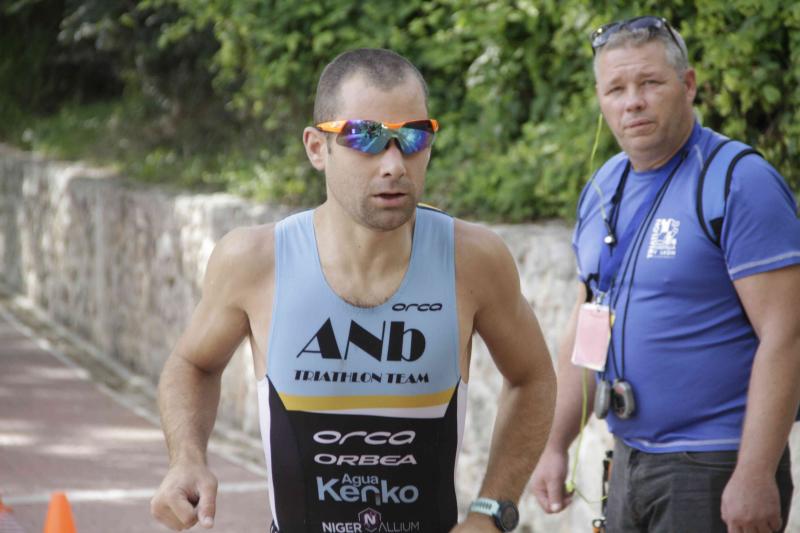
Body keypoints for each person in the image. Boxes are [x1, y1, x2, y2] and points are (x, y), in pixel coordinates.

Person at [150, 47, 556, 532]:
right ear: (316, 148)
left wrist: (492, 511)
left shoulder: (473, 260)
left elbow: (533, 377)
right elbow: (193, 364)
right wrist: (187, 458)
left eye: (413, 137)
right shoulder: (255, 261)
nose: (394, 163)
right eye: (365, 137)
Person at [530, 15, 800, 533]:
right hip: (629, 459)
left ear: (688, 84)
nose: (632, 101)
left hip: (714, 465)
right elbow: (589, 328)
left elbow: (786, 335)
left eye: (650, 83)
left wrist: (754, 471)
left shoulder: (739, 182)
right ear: (600, 98)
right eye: (616, 88)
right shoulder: (604, 188)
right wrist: (556, 443)